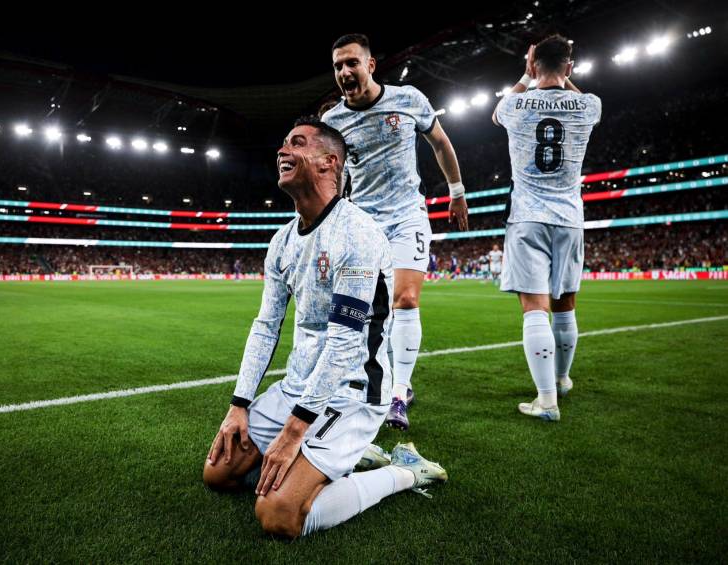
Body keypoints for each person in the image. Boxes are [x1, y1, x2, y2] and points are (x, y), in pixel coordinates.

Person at [202, 118, 447, 539]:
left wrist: (294, 431)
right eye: (282, 143)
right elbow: (266, 326)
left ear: (328, 162)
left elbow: (343, 344)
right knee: (218, 474)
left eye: (296, 143)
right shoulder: (281, 241)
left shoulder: (357, 234)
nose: (282, 150)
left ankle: (404, 473)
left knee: (278, 514)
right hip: (298, 387)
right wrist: (238, 403)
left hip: (353, 392)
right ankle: (335, 459)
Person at [322, 33, 469, 431]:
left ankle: (399, 393)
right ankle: (371, 382)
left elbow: (440, 142)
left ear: (370, 65)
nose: (344, 72)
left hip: (406, 215)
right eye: (337, 66)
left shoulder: (408, 100)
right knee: (365, 312)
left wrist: (456, 192)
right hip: (362, 225)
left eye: (352, 62)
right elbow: (331, 180)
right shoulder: (332, 123)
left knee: (405, 299)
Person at [492, 35, 601, 421]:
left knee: (534, 309)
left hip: (527, 218)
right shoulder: (589, 105)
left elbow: (495, 115)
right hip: (570, 217)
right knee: (565, 303)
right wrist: (562, 76)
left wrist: (526, 75)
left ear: (534, 63)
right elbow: (573, 92)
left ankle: (546, 399)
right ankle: (563, 378)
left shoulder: (515, 104)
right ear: (570, 67)